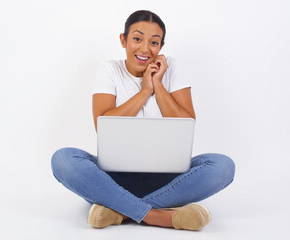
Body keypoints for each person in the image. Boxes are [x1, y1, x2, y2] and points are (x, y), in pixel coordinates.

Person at [51, 10, 235, 231]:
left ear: (161, 47)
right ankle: (157, 215)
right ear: (123, 40)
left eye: (154, 42)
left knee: (223, 167)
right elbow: (103, 124)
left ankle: (119, 211)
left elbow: (187, 122)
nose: (145, 49)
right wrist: (144, 91)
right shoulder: (110, 70)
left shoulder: (171, 68)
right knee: (63, 159)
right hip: (113, 179)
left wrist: (158, 85)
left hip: (169, 180)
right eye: (137, 39)